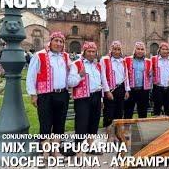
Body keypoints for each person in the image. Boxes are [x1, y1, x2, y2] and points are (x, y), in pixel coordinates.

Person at [26, 31, 71, 160]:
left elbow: (73, 71)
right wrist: (33, 94)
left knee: (59, 123)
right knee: (45, 123)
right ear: (50, 42)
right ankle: (45, 152)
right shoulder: (39, 55)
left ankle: (56, 151)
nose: (58, 43)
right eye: (56, 40)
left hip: (62, 94)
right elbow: (31, 75)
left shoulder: (66, 57)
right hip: (45, 95)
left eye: (61, 41)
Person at [68, 41, 110, 157]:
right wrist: (80, 75)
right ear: (84, 52)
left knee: (94, 122)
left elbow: (101, 82)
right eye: (89, 51)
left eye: (93, 51)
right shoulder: (77, 64)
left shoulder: (98, 65)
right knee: (81, 124)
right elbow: (70, 82)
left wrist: (101, 99)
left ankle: (91, 147)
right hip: (82, 98)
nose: (91, 54)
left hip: (96, 96)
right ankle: (79, 150)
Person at [101, 41, 130, 136]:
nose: (116, 51)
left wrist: (127, 90)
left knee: (119, 112)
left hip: (121, 88)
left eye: (118, 49)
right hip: (110, 89)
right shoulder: (105, 60)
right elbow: (103, 77)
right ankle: (109, 136)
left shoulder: (123, 61)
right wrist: (107, 91)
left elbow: (125, 76)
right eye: (115, 49)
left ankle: (118, 134)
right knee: (109, 113)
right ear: (111, 50)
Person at [124, 42, 152, 119]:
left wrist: (149, 86)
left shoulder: (149, 61)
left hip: (143, 90)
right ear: (135, 50)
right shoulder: (127, 60)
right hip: (131, 90)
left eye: (142, 49)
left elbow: (151, 76)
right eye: (138, 49)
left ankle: (142, 130)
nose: (140, 51)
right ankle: (126, 130)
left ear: (144, 51)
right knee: (128, 112)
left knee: (143, 113)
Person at [151, 42, 169, 117]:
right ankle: (157, 127)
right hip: (158, 88)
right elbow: (149, 72)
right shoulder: (153, 59)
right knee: (157, 110)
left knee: (168, 110)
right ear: (159, 50)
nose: (164, 51)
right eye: (163, 49)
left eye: (166, 49)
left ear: (168, 51)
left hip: (168, 88)